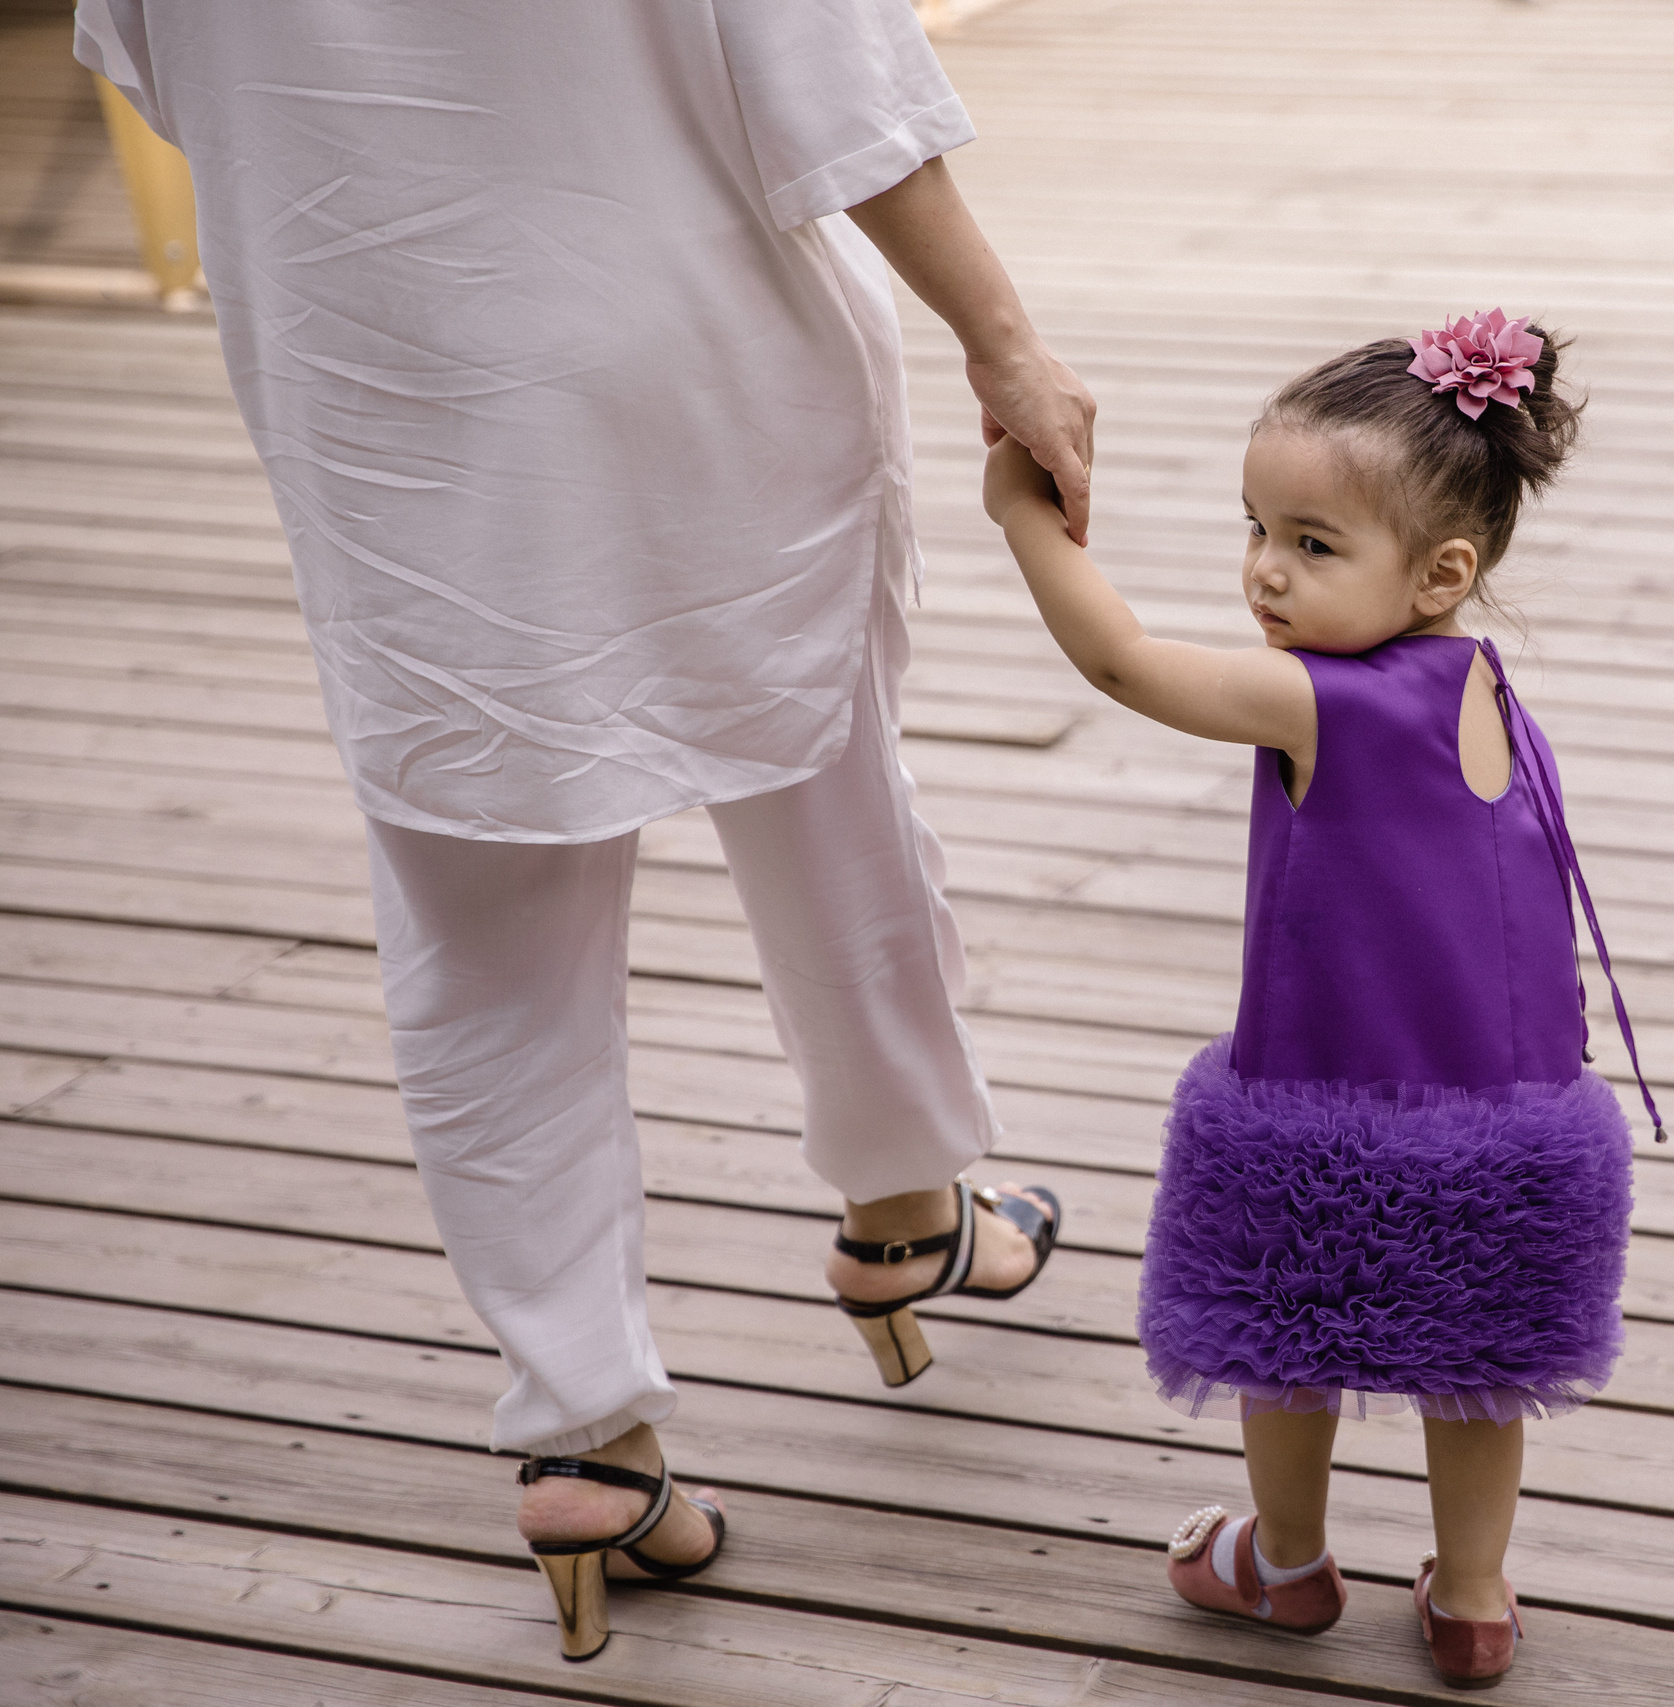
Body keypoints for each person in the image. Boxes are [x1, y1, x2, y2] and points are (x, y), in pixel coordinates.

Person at [75, 0, 1094, 1663]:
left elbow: (177, 83)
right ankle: (907, 1208)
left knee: (481, 944)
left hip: (385, 410)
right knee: (825, 800)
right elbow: (835, 89)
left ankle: (584, 1434)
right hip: (693, 350)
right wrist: (1010, 346)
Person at [982, 310, 1660, 1687]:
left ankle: (1285, 1563)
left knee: (1283, 1335)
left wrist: (1023, 518)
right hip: (1504, 1110)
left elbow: (1122, 663)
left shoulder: (1318, 702)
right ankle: (1472, 1597)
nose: (1265, 571)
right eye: (1256, 528)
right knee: (1477, 1363)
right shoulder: (1483, 682)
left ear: (1443, 569)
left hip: (1327, 1099)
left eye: (1312, 543)